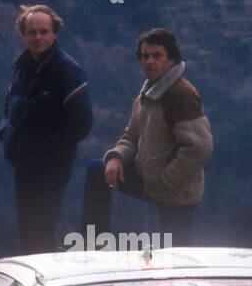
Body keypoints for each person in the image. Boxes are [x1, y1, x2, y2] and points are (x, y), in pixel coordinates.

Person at [81, 28, 212, 246]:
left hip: (176, 191)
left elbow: (200, 148)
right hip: (149, 179)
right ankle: (94, 246)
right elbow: (131, 137)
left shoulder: (181, 94)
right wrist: (116, 157)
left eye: (157, 55)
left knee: (176, 260)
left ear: (171, 59)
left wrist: (167, 179)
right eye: (145, 56)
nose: (149, 61)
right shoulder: (148, 93)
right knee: (98, 170)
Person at [0, 4, 92, 254]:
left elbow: (81, 121)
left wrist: (46, 148)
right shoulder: (21, 69)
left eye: (43, 31)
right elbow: (9, 106)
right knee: (27, 228)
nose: (38, 37)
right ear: (23, 34)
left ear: (54, 33)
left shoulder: (67, 70)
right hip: (24, 161)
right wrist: (6, 134)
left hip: (52, 164)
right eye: (32, 32)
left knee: (42, 227)